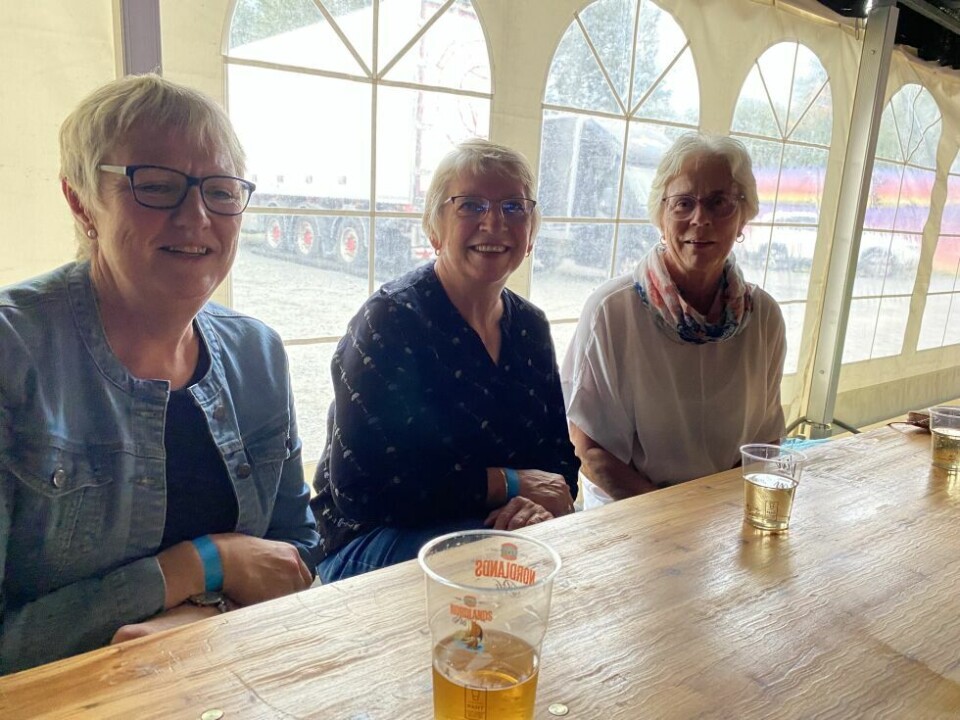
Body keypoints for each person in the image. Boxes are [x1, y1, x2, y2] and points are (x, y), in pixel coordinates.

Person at [0, 75, 318, 674]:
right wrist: (201, 563)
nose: (195, 216)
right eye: (158, 186)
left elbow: (296, 557)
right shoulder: (13, 355)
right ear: (80, 200)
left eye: (220, 191)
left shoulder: (259, 356)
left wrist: (203, 614)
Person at [311, 139, 578, 583]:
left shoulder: (530, 327)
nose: (494, 222)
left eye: (514, 207)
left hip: (495, 531)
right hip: (372, 535)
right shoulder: (391, 319)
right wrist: (509, 485)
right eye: (471, 205)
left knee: (560, 560)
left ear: (531, 234)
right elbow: (362, 487)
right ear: (434, 229)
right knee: (508, 576)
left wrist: (534, 504)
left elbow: (558, 464)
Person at [562, 133, 785, 510]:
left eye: (720, 202)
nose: (701, 219)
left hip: (721, 519)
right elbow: (590, 450)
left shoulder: (763, 317)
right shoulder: (612, 311)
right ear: (660, 216)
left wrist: (718, 515)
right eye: (683, 203)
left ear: (744, 215)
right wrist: (675, 515)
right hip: (629, 519)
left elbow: (764, 445)